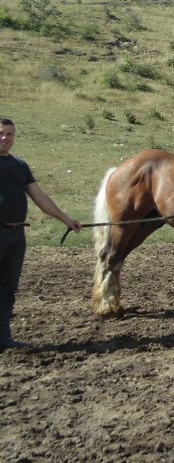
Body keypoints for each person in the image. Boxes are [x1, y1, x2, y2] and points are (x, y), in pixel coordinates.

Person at [0, 118, 81, 351]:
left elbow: (40, 198)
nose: (5, 138)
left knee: (7, 288)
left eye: (9, 134)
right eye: (1, 133)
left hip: (16, 235)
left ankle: (3, 337)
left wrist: (67, 219)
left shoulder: (19, 166)